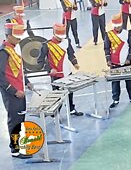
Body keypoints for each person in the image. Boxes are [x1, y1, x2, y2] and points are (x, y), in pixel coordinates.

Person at [0, 23, 34, 159]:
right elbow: (1, 76)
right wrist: (14, 91)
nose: (19, 39)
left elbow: (18, 70)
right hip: (12, 93)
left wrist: (27, 82)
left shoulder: (14, 49)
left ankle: (20, 145)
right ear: (8, 36)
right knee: (14, 121)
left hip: (21, 91)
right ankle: (15, 149)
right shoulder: (3, 52)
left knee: (20, 119)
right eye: (16, 36)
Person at [37, 23, 83, 116]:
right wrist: (49, 69)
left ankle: (71, 109)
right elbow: (40, 61)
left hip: (68, 72)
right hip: (57, 76)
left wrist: (75, 63)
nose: (61, 38)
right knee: (58, 96)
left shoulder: (67, 41)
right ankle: (55, 115)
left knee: (70, 93)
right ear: (54, 33)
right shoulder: (47, 45)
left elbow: (70, 54)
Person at [104, 13, 131, 108]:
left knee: (129, 81)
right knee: (115, 83)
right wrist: (108, 59)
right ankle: (115, 99)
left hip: (126, 63)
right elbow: (107, 48)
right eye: (116, 27)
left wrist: (129, 59)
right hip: (114, 63)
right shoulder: (109, 35)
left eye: (119, 26)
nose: (117, 28)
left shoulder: (127, 33)